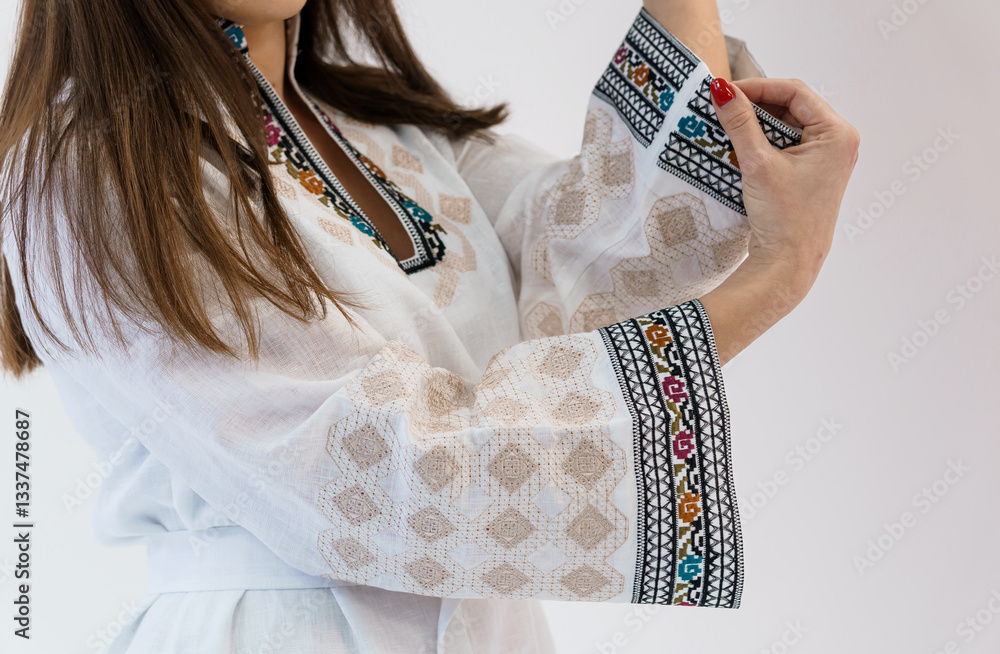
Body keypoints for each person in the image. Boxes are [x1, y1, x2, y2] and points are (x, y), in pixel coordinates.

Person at [0, 0, 859, 651]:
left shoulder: (400, 137)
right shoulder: (92, 169)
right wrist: (777, 278)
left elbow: (608, 262)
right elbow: (384, 476)